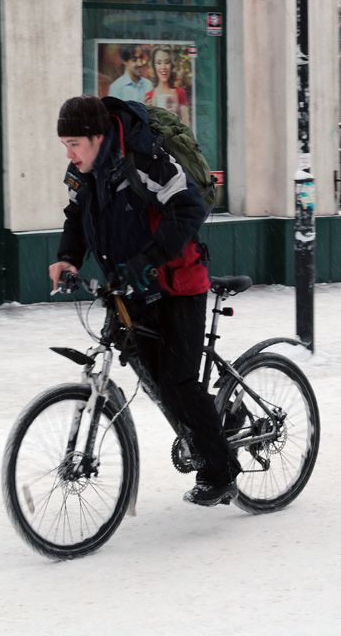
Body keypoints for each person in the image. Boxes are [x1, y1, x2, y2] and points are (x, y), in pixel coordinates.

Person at [48, 94, 239, 506]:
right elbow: (77, 216)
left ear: (98, 137)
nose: (69, 153)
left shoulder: (146, 160)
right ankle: (205, 425)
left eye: (74, 144)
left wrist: (148, 261)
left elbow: (188, 209)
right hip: (132, 285)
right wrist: (67, 258)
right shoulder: (85, 171)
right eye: (64, 144)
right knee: (139, 358)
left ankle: (220, 470)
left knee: (178, 380)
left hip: (177, 282)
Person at [144, 45, 191, 129]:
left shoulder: (180, 92)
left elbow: (186, 124)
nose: (163, 67)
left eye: (167, 62)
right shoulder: (149, 96)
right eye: (159, 63)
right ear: (154, 66)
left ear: (171, 65)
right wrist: (145, 111)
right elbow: (146, 128)